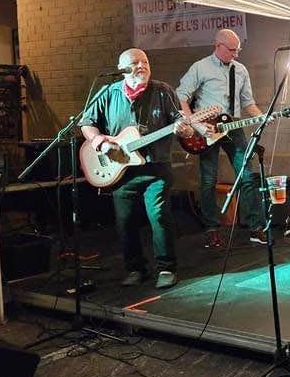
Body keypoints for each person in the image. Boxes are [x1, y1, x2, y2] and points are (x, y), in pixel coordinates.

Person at [80, 49, 193, 289]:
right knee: (125, 221)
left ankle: (166, 268)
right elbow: (86, 123)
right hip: (121, 170)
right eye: (135, 63)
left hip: (156, 167)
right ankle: (135, 268)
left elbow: (180, 122)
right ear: (122, 68)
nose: (142, 66)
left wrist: (185, 129)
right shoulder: (108, 92)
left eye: (145, 62)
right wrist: (99, 141)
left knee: (159, 216)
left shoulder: (163, 91)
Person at [177, 29, 266, 250]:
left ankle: (255, 227)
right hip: (206, 128)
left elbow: (248, 103)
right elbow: (181, 95)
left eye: (238, 50)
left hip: (232, 126)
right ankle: (211, 230)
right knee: (208, 180)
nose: (236, 54)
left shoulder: (241, 70)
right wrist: (195, 124)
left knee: (246, 175)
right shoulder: (200, 67)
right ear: (217, 45)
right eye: (232, 50)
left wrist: (262, 117)